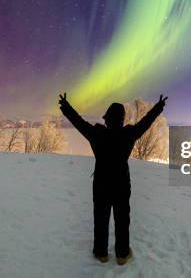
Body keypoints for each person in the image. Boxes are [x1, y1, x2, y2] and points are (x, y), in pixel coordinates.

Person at [58, 93, 167, 265]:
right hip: (122, 184)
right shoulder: (129, 134)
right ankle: (122, 255)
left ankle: (101, 253)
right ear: (122, 120)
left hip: (101, 184)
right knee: (122, 220)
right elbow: (146, 122)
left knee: (100, 218)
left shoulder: (96, 133)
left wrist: (65, 106)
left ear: (107, 119)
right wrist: (158, 107)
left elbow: (77, 122)